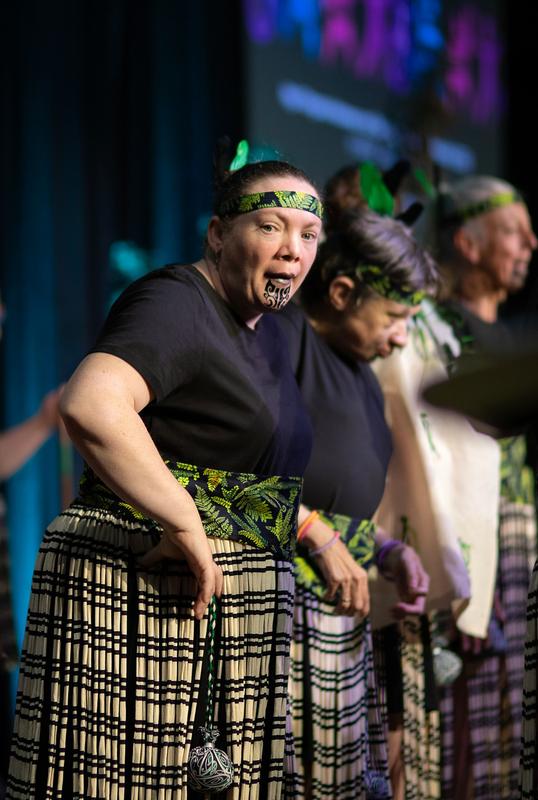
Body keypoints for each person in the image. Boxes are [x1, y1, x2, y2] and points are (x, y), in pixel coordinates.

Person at [5, 156, 348, 800]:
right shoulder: (177, 300)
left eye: (307, 236)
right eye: (270, 227)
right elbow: (92, 404)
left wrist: (315, 534)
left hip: (219, 614)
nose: (292, 250)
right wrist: (183, 518)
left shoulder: (267, 335)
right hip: (142, 590)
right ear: (218, 235)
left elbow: (251, 477)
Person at [277, 204, 436, 799]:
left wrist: (388, 549)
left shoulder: (363, 373)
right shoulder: (282, 339)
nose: (400, 337)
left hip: (340, 599)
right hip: (281, 596)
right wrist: (314, 530)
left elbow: (350, 495)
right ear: (342, 291)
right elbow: (235, 465)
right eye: (394, 316)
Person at [417, 175, 537, 800]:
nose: (531, 243)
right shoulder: (436, 329)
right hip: (473, 537)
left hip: (522, 534)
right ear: (467, 242)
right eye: (515, 231)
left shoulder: (516, 338)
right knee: (471, 726)